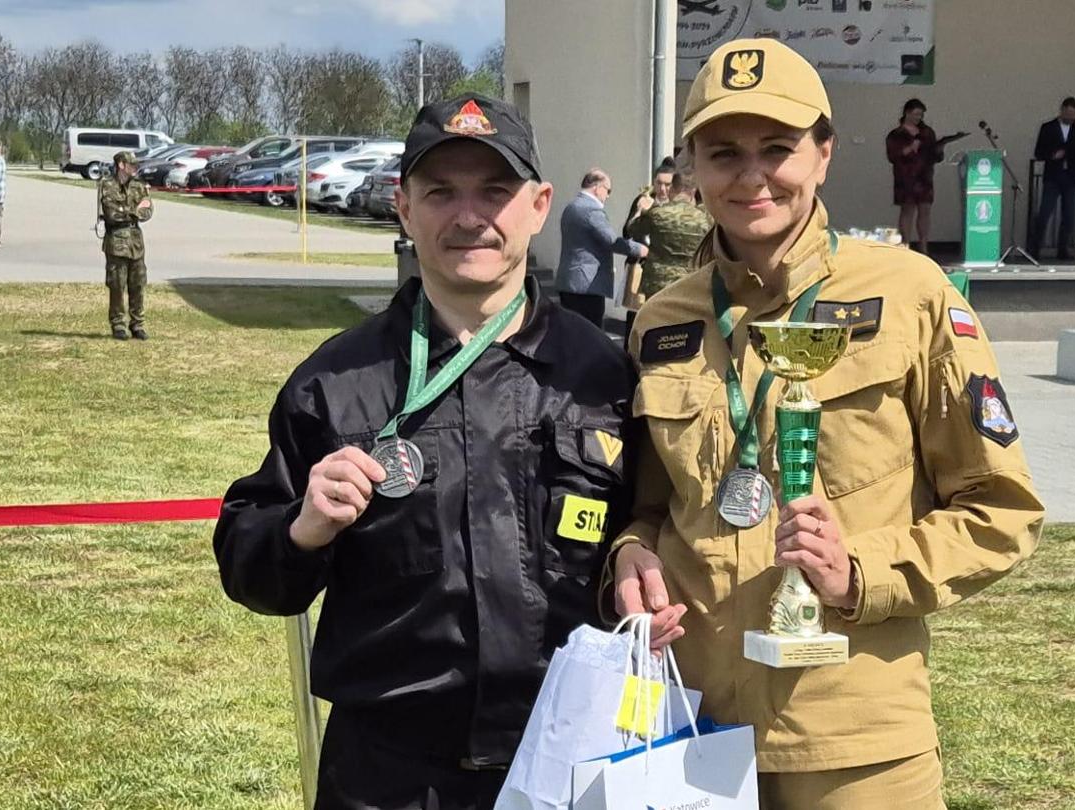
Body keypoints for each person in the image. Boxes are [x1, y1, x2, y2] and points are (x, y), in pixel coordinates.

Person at [611, 39, 1045, 808]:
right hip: (690, 731)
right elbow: (651, 505)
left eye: (778, 148)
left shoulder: (911, 295)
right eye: (723, 152)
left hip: (854, 742)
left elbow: (999, 513)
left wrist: (862, 572)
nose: (751, 176)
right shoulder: (664, 320)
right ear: (693, 165)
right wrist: (631, 553)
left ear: (824, 154)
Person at [213, 92, 634, 810]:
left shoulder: (603, 375)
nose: (469, 216)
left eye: (494, 191)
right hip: (391, 778)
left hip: (572, 765)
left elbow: (649, 522)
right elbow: (251, 571)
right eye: (440, 192)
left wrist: (637, 546)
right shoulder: (336, 383)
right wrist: (301, 528)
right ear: (403, 208)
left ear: (538, 205)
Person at [554, 168, 647, 327]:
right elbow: (612, 241)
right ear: (597, 188)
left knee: (572, 332)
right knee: (590, 335)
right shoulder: (591, 210)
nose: (608, 196)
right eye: (608, 190)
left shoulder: (571, 207)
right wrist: (641, 249)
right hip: (588, 286)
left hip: (569, 282)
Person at [883, 98, 966, 256]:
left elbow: (934, 156)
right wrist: (910, 148)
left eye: (921, 115)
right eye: (916, 114)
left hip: (924, 177)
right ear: (907, 113)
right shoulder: (896, 134)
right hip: (906, 178)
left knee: (925, 210)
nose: (918, 118)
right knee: (907, 210)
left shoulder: (927, 132)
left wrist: (940, 147)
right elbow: (893, 156)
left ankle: (924, 246)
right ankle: (905, 244)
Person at [623, 168, 712, 304]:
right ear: (693, 191)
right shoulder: (704, 217)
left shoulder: (658, 213)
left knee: (656, 322)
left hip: (658, 284)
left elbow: (632, 230)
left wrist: (641, 211)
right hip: (690, 282)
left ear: (672, 189)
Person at [98, 151, 153, 340]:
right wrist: (134, 210)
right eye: (131, 164)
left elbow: (148, 210)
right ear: (121, 165)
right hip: (116, 242)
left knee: (138, 285)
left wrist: (131, 211)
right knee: (117, 285)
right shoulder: (107, 184)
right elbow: (111, 213)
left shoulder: (138, 186)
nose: (135, 168)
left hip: (136, 242)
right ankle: (118, 324)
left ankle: (137, 324)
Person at [1030, 96, 1075, 260]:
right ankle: (1035, 248)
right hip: (1053, 176)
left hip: (1071, 176)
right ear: (1062, 110)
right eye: (1068, 114)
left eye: (1074, 115)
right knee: (1044, 213)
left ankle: (1063, 249)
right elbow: (1038, 152)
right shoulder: (1048, 127)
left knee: (1069, 215)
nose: (1071, 118)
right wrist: (1052, 155)